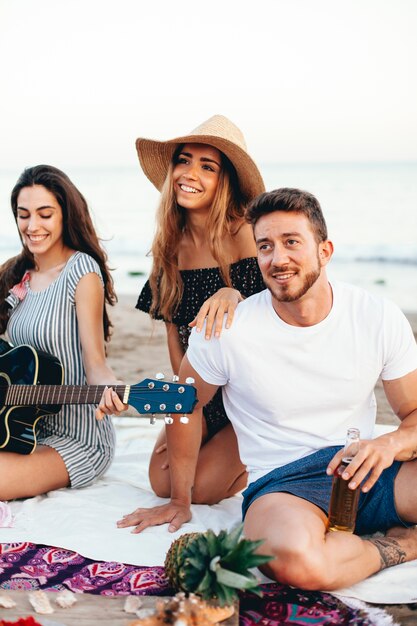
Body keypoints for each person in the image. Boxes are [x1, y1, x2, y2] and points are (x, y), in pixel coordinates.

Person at [118, 188, 417, 591]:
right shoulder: (228, 329)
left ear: (325, 250)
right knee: (296, 563)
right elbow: (184, 403)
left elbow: (413, 414)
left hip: (366, 468)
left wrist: (389, 445)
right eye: (265, 247)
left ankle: (358, 543)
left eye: (292, 242)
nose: (278, 259)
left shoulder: (377, 316)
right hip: (283, 483)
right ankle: (402, 545)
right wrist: (180, 500)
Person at [123, 114, 265, 504]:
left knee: (197, 490)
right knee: (162, 482)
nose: (190, 173)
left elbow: (278, 314)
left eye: (208, 166)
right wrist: (188, 410)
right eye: (184, 160)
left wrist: (232, 294)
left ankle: (258, 457)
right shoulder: (169, 246)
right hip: (200, 391)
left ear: (225, 180)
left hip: (250, 397)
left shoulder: (246, 234)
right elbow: (174, 333)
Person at [0, 164, 122, 500]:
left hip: (77, 438)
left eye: (45, 214)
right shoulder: (16, 274)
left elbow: (95, 363)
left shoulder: (81, 270)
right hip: (18, 430)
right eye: (23, 215)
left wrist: (110, 388)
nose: (32, 226)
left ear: (64, 215)